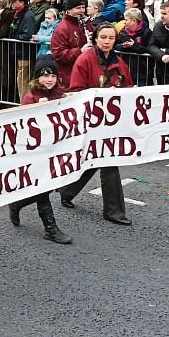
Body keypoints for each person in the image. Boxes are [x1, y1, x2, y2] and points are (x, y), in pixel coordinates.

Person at [59, 22, 132, 225]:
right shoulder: (85, 59)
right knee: (107, 162)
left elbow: (129, 88)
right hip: (91, 120)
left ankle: (67, 191)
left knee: (94, 159)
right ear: (95, 39)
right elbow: (76, 91)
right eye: (103, 37)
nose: (107, 41)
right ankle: (114, 211)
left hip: (111, 122)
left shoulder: (120, 62)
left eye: (111, 38)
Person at [11, 56, 72, 244]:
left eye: (53, 75)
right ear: (37, 78)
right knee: (43, 188)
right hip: (36, 151)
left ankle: (16, 204)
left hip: (54, 148)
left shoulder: (59, 95)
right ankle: (50, 228)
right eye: (45, 76)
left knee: (47, 186)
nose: (49, 79)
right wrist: (37, 109)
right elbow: (23, 124)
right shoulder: (30, 97)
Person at [50, 0, 88, 86]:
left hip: (80, 73)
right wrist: (80, 51)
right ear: (69, 9)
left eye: (83, 7)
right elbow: (58, 54)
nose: (82, 11)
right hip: (67, 75)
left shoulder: (82, 24)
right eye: (78, 8)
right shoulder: (62, 28)